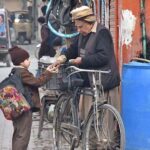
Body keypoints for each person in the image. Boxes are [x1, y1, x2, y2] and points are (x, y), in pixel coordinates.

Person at [54, 6, 120, 119]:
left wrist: (82, 61)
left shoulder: (102, 33)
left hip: (104, 82)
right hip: (90, 82)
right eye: (77, 27)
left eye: (80, 26)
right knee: (88, 119)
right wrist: (62, 58)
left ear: (89, 22)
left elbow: (104, 56)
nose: (78, 30)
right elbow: (73, 49)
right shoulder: (83, 34)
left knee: (104, 123)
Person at [8, 46, 58, 150]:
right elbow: (37, 82)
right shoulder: (23, 73)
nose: (29, 61)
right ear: (21, 62)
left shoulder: (15, 71)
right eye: (27, 59)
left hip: (17, 108)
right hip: (24, 109)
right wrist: (48, 72)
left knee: (18, 133)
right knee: (23, 136)